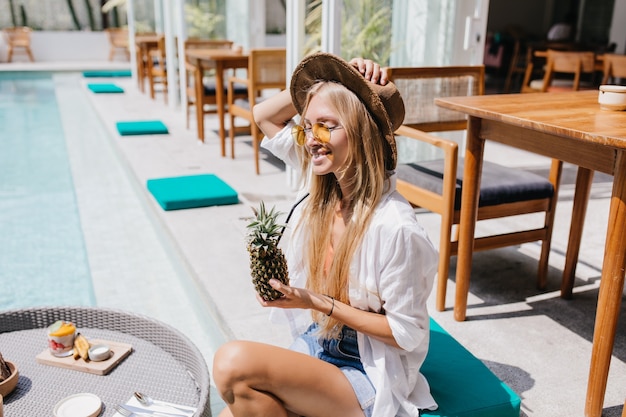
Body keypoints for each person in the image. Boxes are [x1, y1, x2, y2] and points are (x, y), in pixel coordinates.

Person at [212, 53, 439, 417]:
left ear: (361, 131)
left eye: (326, 125)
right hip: (317, 344)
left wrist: (315, 302)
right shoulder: (324, 182)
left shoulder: (395, 227)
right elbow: (263, 115)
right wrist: (334, 72)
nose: (311, 140)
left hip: (364, 368)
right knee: (232, 410)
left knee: (232, 363)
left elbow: (406, 333)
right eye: (306, 127)